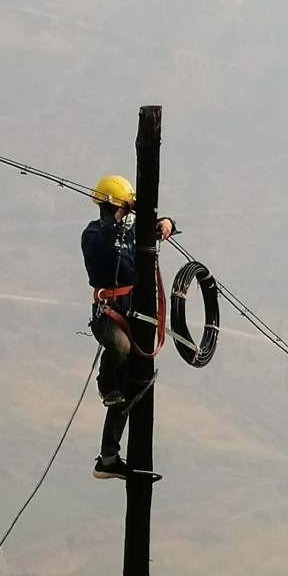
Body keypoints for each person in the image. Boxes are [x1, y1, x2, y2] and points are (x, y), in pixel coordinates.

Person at [81, 175, 175, 480]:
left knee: (129, 389)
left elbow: (158, 227)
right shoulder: (93, 234)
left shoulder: (135, 232)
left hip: (134, 312)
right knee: (119, 349)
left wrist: (165, 223)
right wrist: (119, 220)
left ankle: (108, 457)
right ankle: (105, 384)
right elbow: (102, 249)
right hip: (109, 315)